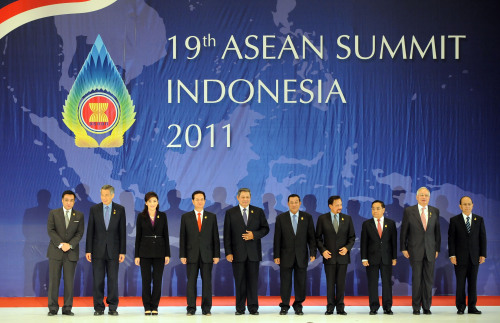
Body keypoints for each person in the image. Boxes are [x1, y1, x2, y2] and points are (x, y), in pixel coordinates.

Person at [224, 188, 269, 315]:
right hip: (237, 254)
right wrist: (228, 252)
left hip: (253, 253)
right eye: (243, 197)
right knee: (239, 282)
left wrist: (254, 235)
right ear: (238, 198)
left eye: (247, 197)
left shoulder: (258, 211)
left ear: (250, 198)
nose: (245, 199)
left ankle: (253, 308)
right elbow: (227, 234)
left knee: (253, 282)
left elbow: (265, 229)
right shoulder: (231, 213)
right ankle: (240, 308)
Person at [85, 185, 126, 316]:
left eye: (107, 195)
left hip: (114, 251)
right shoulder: (94, 209)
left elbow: (122, 232)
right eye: (102, 195)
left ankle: (113, 307)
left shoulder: (120, 209)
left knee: (113, 280)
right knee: (98, 280)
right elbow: (90, 230)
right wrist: (88, 250)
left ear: (112, 195)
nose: (104, 197)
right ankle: (98, 307)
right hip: (97, 251)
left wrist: (122, 251)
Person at [273, 194, 316, 315]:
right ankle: (284, 305)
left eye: (296, 202)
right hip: (285, 256)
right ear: (288, 204)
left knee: (300, 282)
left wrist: (313, 252)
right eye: (291, 202)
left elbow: (311, 237)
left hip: (301, 256)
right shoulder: (281, 218)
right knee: (285, 282)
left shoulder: (307, 217)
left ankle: (298, 305)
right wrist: (276, 255)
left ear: (300, 203)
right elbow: (277, 238)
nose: (294, 204)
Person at [400, 187, 441, 315]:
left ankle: (427, 306)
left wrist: (437, 249)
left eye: (426, 195)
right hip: (414, 250)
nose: (424, 197)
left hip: (430, 250)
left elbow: (437, 233)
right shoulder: (409, 211)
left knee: (428, 280)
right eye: (421, 195)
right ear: (417, 197)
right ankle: (416, 307)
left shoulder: (434, 211)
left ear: (429, 197)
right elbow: (404, 231)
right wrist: (403, 247)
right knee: (417, 280)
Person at [179, 191, 220, 316]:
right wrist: (182, 254)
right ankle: (191, 308)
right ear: (192, 201)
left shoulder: (211, 217)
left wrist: (216, 254)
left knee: (207, 282)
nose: (199, 201)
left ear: (205, 201)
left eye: (202, 199)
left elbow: (215, 237)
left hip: (207, 255)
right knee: (191, 282)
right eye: (197, 199)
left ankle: (206, 309)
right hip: (191, 254)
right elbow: (183, 237)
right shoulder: (186, 217)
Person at [315, 195, 355, 315]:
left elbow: (352, 237)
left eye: (341, 204)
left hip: (343, 257)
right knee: (330, 283)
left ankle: (341, 307)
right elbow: (318, 238)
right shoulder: (322, 219)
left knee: (341, 283)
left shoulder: (347, 219)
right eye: (337, 205)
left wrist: (347, 248)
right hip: (329, 257)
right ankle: (330, 307)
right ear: (330, 206)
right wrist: (323, 250)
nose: (340, 207)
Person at [46, 190, 84, 316]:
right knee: (54, 281)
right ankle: (53, 308)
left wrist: (70, 245)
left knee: (69, 282)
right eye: (66, 200)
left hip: (71, 253)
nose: (69, 202)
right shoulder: (53, 213)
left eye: (71, 200)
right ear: (62, 200)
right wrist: (61, 244)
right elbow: (51, 230)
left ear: (74, 201)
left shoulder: (79, 215)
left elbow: (79, 233)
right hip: (55, 252)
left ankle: (67, 308)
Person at [448, 196, 487, 315]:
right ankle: (460, 307)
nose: (467, 206)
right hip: (459, 258)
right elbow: (451, 239)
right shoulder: (454, 220)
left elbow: (482, 238)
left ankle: (472, 307)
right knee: (460, 284)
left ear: (472, 205)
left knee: (472, 283)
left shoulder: (479, 219)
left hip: (475, 258)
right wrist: (452, 255)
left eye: (469, 204)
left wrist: (483, 254)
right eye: (464, 204)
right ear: (460, 206)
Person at [134, 192, 170, 315]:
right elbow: (138, 236)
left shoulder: (163, 216)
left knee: (157, 280)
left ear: (158, 202)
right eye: (150, 201)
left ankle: (155, 306)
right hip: (144, 252)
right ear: (146, 203)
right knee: (146, 280)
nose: (152, 203)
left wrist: (167, 254)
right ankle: (147, 306)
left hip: (160, 252)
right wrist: (137, 255)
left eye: (155, 201)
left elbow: (166, 235)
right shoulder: (141, 216)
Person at [360, 200, 397, 315]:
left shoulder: (390, 224)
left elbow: (393, 242)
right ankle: (374, 307)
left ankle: (387, 307)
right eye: (373, 208)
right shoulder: (367, 224)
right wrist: (364, 258)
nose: (375, 211)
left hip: (386, 258)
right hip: (371, 259)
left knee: (387, 283)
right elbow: (364, 242)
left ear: (383, 210)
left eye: (377, 208)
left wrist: (394, 257)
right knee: (372, 283)